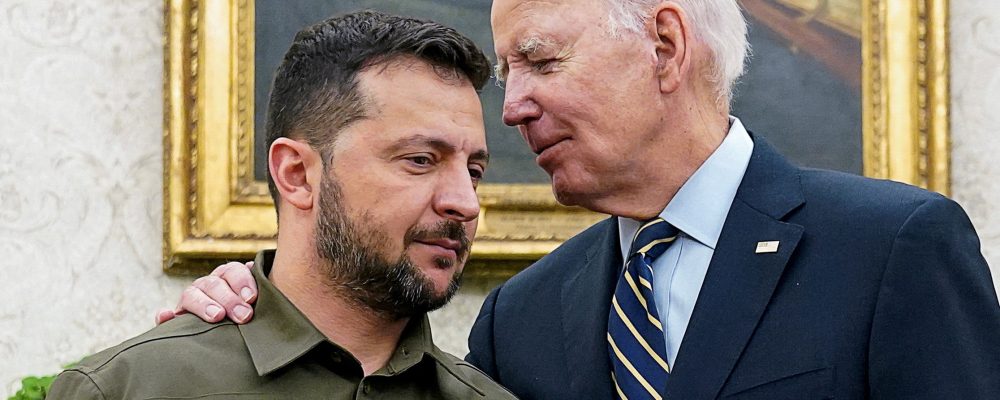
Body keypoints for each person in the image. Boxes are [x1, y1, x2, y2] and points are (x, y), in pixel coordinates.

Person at [162, 0, 1000, 399]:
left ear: (665, 46)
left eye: (540, 62)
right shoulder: (520, 319)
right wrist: (253, 308)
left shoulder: (893, 250)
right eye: (509, 73)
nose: (513, 102)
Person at [48, 10, 516, 399]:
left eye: (474, 171)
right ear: (297, 174)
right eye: (420, 160)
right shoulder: (129, 388)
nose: (465, 203)